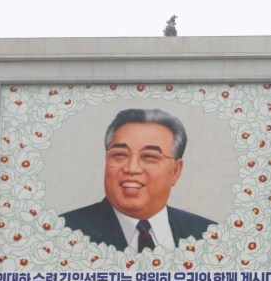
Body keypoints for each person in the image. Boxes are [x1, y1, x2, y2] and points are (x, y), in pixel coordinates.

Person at [60, 108, 215, 252]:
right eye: (119, 155)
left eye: (149, 157)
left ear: (175, 171)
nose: (131, 168)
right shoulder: (62, 233)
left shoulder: (209, 236)